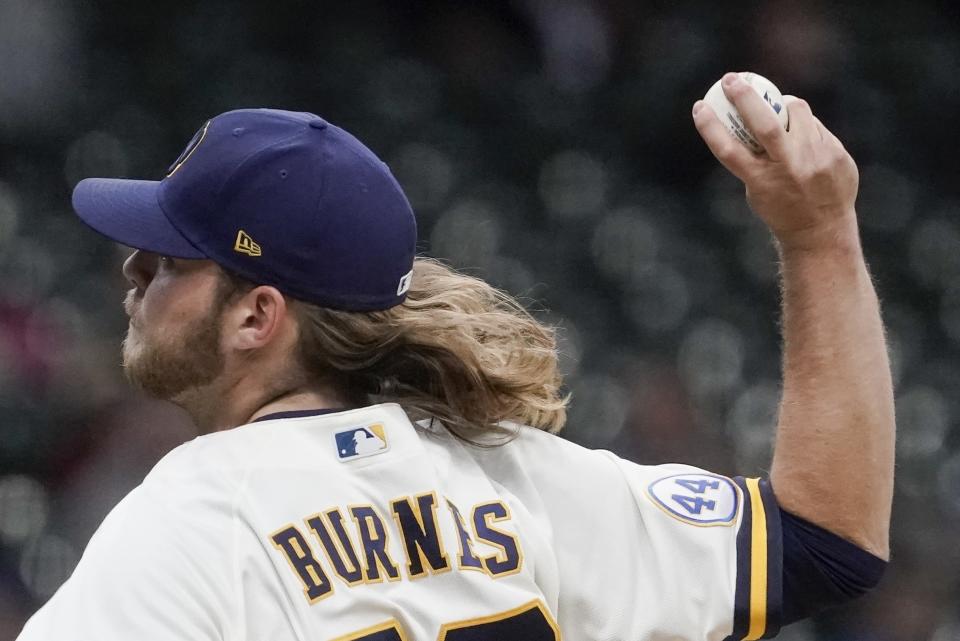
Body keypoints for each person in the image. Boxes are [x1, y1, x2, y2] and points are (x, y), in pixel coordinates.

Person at [17, 72, 893, 641]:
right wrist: (821, 238)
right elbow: (825, 542)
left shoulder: (191, 519)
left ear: (257, 316)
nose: (132, 271)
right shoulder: (515, 474)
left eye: (172, 261)